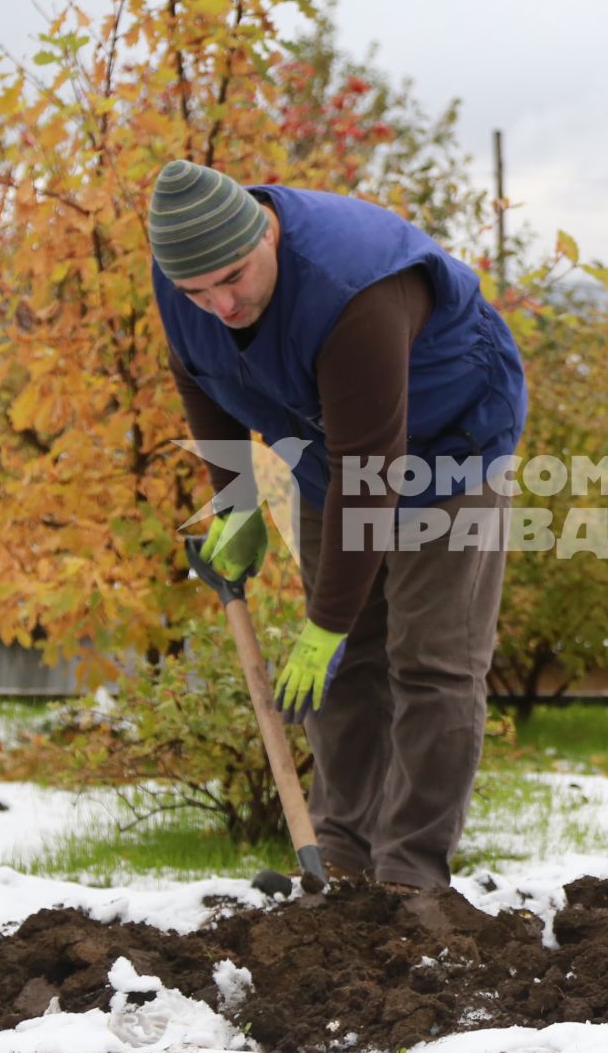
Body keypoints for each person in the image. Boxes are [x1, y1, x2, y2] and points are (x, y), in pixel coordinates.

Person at [148, 161, 526, 892]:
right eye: (198, 292)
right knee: (348, 665)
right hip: (333, 448)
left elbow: (374, 472)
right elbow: (202, 376)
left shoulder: (354, 291)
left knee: (433, 661)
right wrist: (237, 503)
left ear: (268, 232)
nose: (220, 304)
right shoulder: (186, 283)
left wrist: (325, 622)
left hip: (450, 445)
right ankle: (342, 856)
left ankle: (410, 874)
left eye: (233, 278)